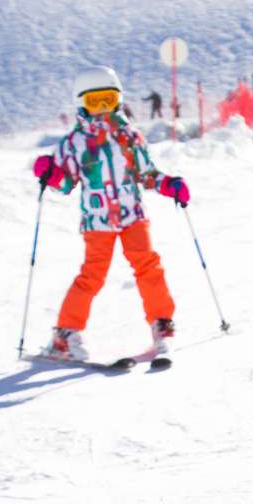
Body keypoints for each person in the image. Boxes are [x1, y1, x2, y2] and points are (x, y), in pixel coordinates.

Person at [32, 67, 188, 363]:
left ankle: (162, 324)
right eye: (95, 103)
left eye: (107, 100)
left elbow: (147, 174)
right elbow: (66, 183)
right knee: (92, 274)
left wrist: (168, 184)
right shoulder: (75, 143)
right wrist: (50, 174)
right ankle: (65, 334)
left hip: (132, 215)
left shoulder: (130, 137)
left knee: (148, 266)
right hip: (97, 219)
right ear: (82, 105)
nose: (102, 109)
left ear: (118, 100)